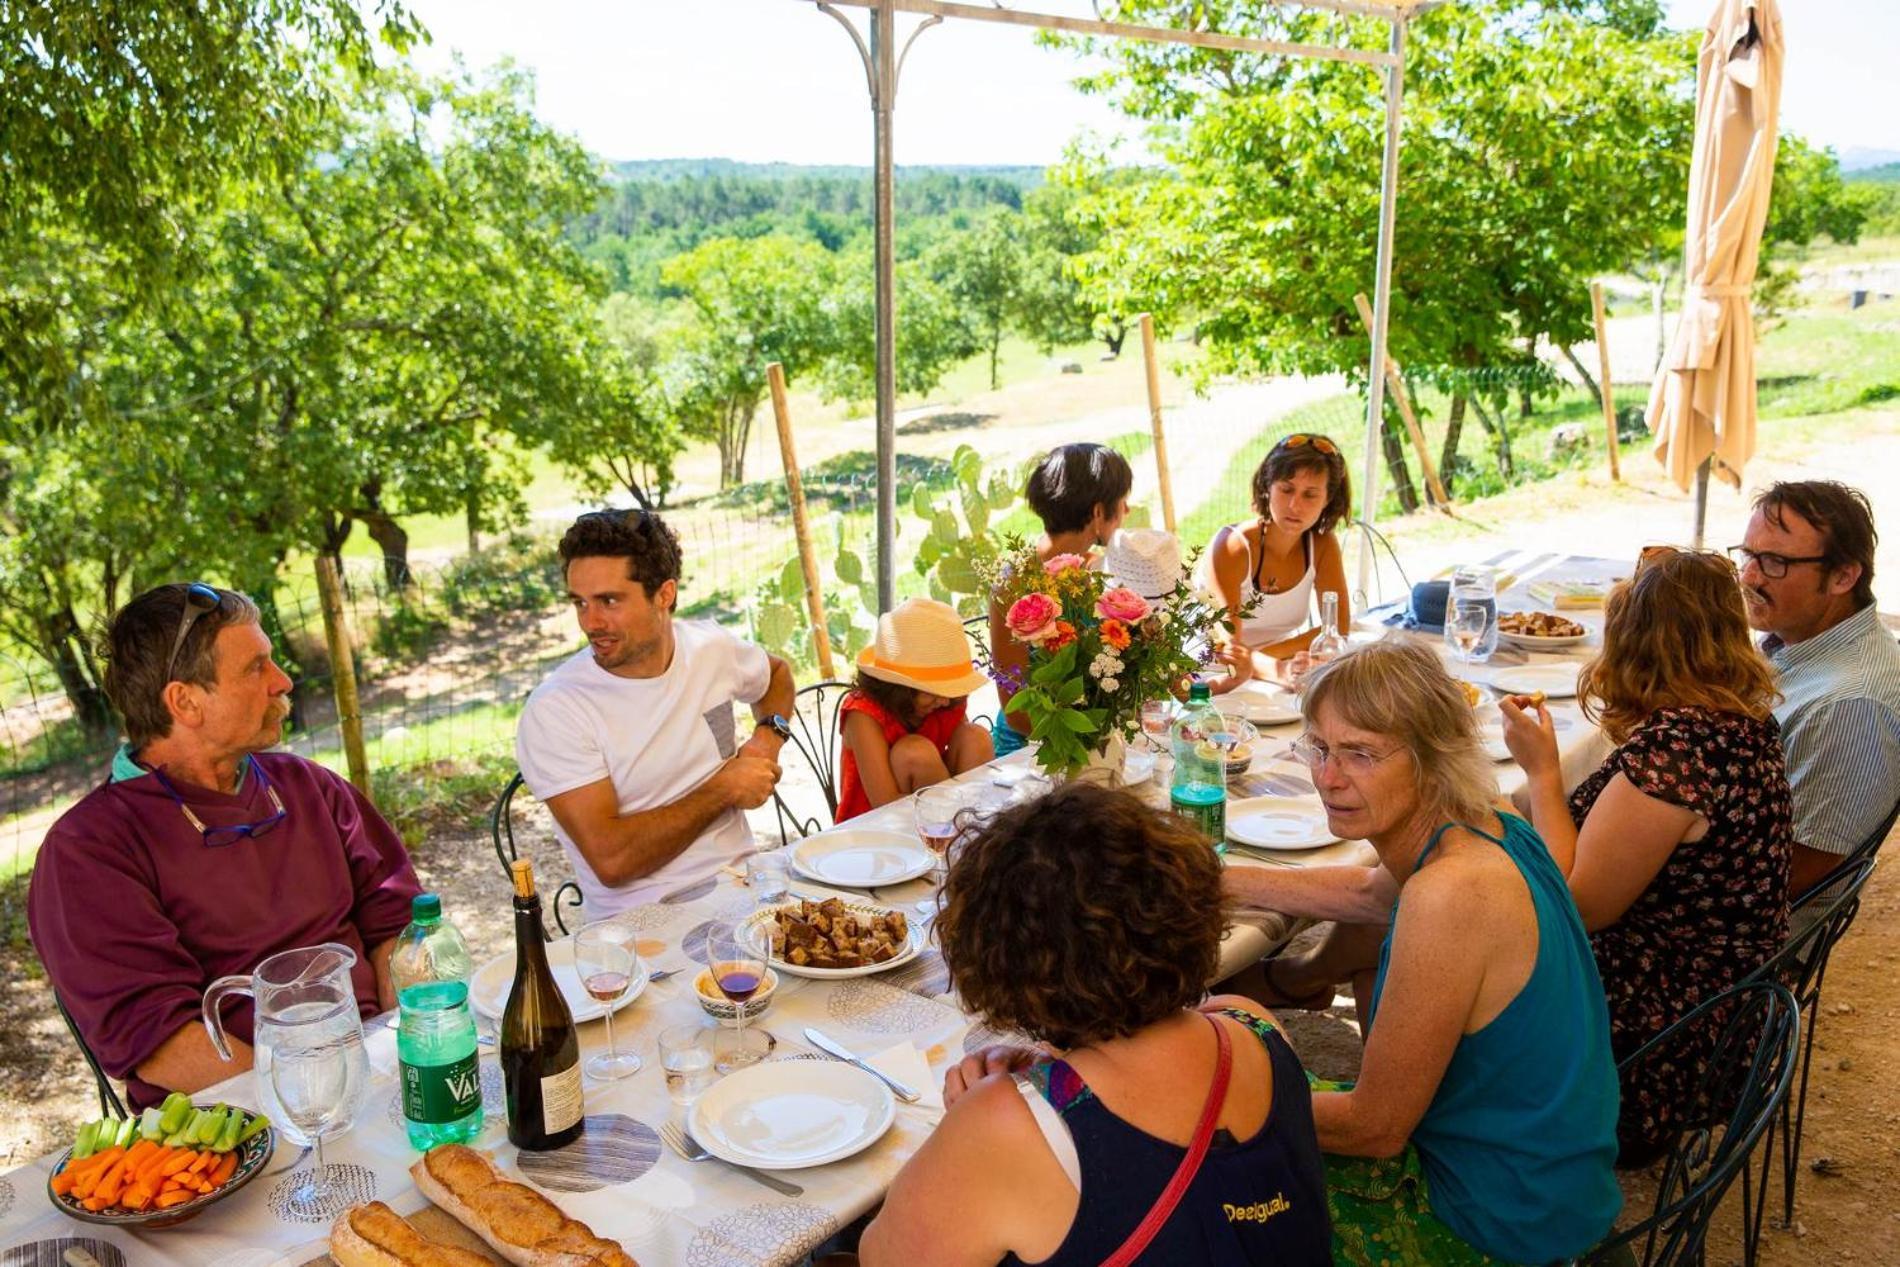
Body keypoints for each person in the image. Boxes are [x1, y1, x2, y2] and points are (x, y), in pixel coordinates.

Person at [1224, 640, 1621, 1265]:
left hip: (1496, 1218)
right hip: (1553, 1175)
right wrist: (1217, 879)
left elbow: (1374, 1128)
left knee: (1214, 1188)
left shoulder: (1449, 894)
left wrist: (1208, 1109)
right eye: (1319, 748)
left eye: (1360, 754)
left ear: (1432, 757)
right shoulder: (1485, 820)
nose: (1328, 777)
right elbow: (1368, 891)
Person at [860, 782, 1332, 1266]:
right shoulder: (1253, 1026)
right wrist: (1047, 1075)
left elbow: (882, 1258)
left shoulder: (1004, 1126)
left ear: (1001, 964)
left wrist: (988, 1118)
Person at [27, 583, 423, 1110]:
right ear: (185, 701)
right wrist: (313, 1101)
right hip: (238, 1123)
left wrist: (402, 1051)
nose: (283, 681)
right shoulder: (89, 849)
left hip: (377, 1069)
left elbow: (397, 924)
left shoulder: (308, 786)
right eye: (255, 668)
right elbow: (160, 1042)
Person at [1501, 547, 1794, 1162]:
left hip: (1653, 1051)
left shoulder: (1677, 757)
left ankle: (1411, 1113)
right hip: (1720, 1011)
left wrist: (1543, 773)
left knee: (1437, 911)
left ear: (1633, 643)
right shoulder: (1739, 723)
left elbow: (1578, 905)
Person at [515, 510, 796, 917]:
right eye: (580, 602)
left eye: (609, 601)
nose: (591, 623)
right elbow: (613, 861)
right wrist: (724, 789)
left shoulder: (709, 649)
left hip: (746, 893)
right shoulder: (557, 709)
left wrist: (766, 741)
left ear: (664, 595)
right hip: (642, 930)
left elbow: (777, 675)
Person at [1731, 480, 1900, 898]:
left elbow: (1794, 873)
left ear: (1843, 576)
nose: (1749, 576)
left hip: (1741, 942)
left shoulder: (1850, 706)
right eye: (1748, 554)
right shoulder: (1793, 641)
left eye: (1774, 562)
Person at [988, 443, 1131, 757]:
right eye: (1122, 501)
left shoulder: (1101, 571)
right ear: (1097, 512)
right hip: (1031, 749)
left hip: (1097, 736)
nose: (1127, 512)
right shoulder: (1014, 583)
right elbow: (1017, 711)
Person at [1201, 433, 1352, 693]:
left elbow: (1336, 629)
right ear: (1267, 487)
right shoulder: (1232, 547)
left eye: (1310, 495)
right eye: (1286, 489)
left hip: (1274, 670)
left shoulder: (1323, 545)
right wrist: (1279, 670)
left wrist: (1270, 658)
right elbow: (1230, 651)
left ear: (1328, 500)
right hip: (1211, 675)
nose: (1295, 505)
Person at [835, 599, 993, 821]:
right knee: (915, 753)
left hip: (939, 806)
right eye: (932, 691)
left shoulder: (945, 701)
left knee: (975, 737)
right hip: (875, 827)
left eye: (949, 689)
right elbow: (884, 803)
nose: (946, 701)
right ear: (897, 689)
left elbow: (964, 747)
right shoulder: (863, 715)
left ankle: (971, 826)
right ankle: (952, 830)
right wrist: (949, 806)